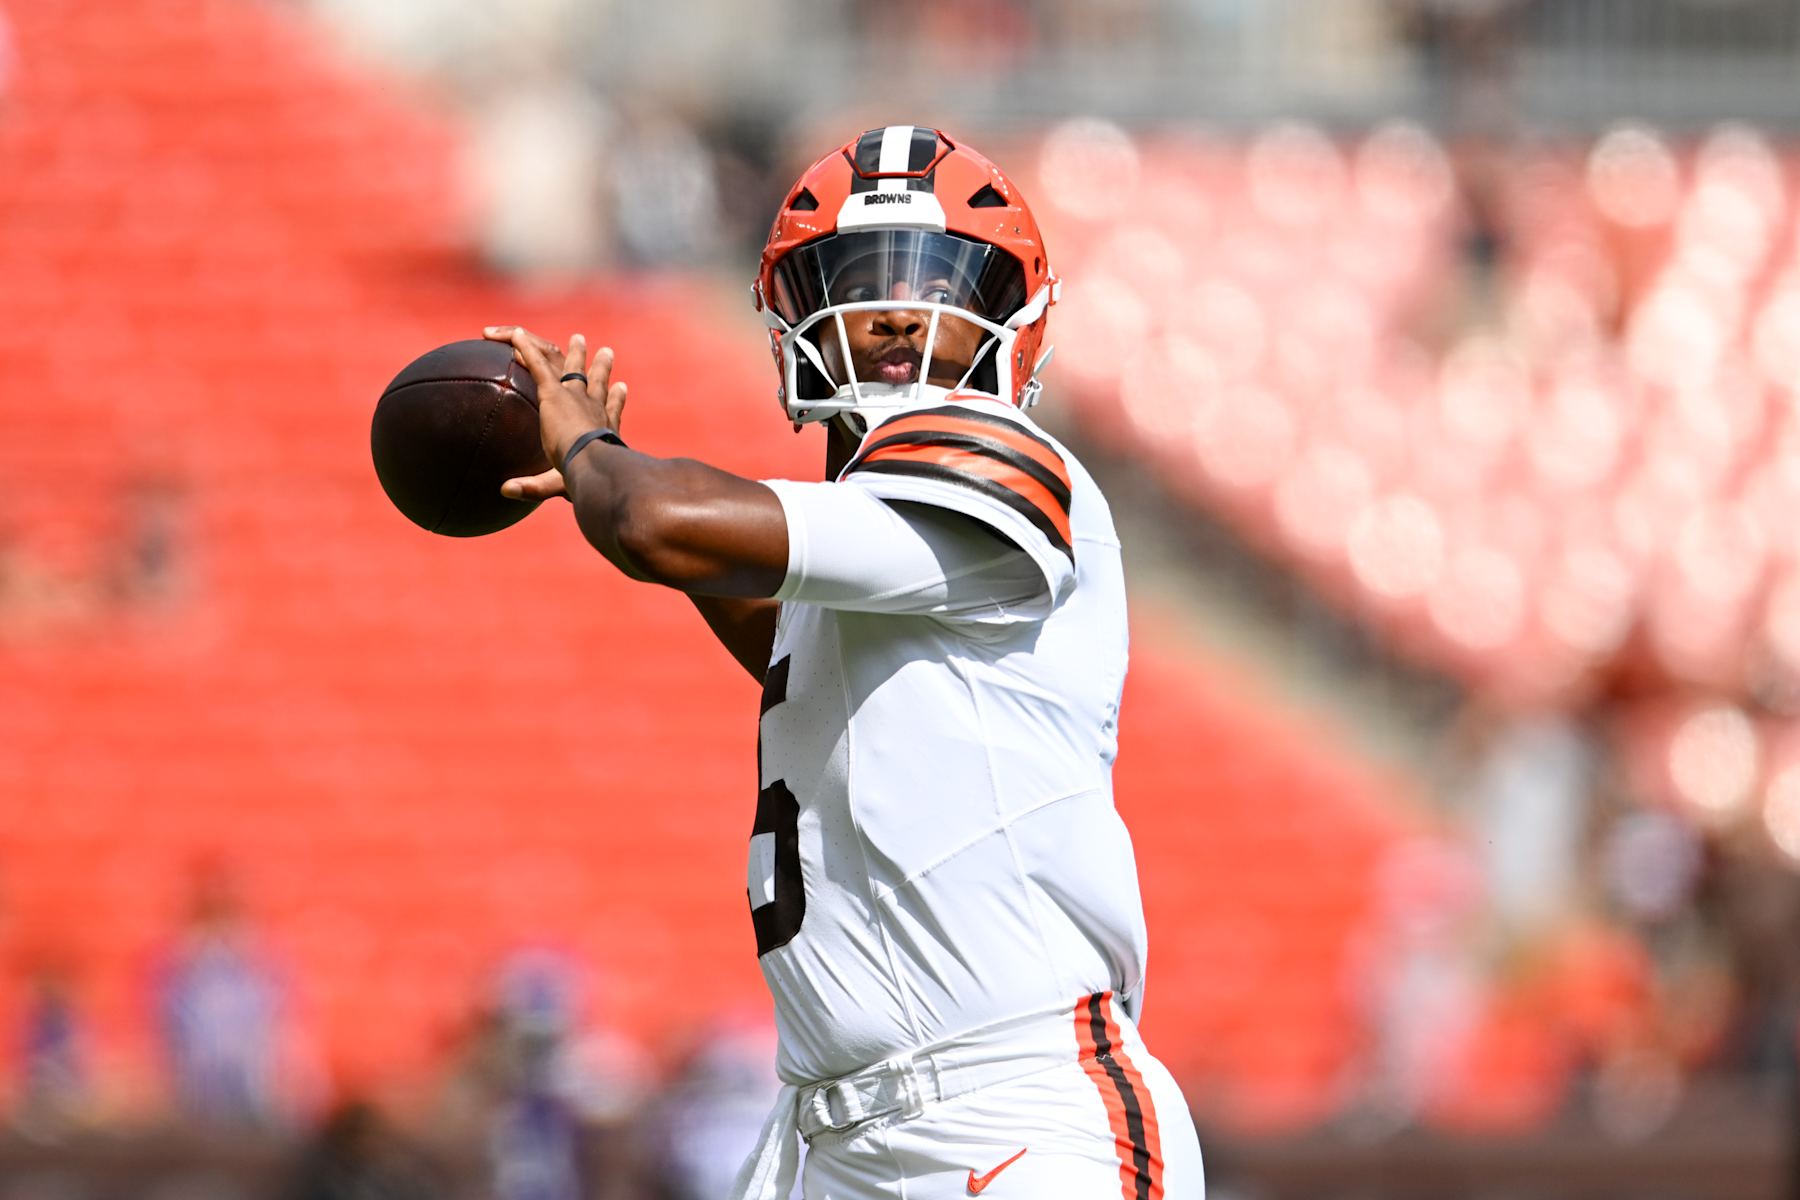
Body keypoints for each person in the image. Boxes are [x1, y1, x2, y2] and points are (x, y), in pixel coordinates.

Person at [483, 126, 1204, 1199]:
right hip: (830, 1132)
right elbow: (787, 639)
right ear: (792, 318)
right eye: (861, 281)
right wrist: (620, 484)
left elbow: (652, 522)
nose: (904, 310)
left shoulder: (1012, 459)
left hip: (1015, 1116)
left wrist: (593, 452)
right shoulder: (867, 561)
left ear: (1018, 316)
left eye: (947, 279)